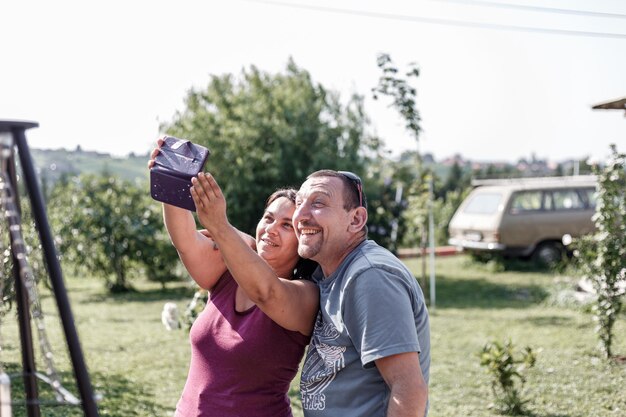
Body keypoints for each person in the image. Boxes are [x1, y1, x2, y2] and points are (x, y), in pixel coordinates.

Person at [191, 169, 430, 417]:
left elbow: (409, 389)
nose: (301, 216)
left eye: (318, 203)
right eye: (300, 204)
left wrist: (220, 226)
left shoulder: (370, 275)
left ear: (356, 220)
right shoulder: (331, 274)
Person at [148, 140, 319, 417]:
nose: (271, 230)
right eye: (268, 218)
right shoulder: (228, 272)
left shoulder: (307, 295)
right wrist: (171, 181)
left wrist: (219, 224)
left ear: (303, 241)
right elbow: (186, 242)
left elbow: (268, 292)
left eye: (287, 225)